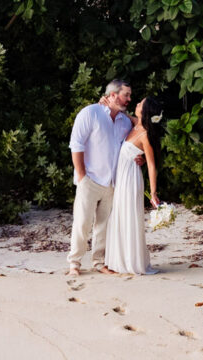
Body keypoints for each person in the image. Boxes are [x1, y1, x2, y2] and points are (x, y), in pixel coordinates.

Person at [66, 80, 133, 277]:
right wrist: (82, 176)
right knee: (82, 223)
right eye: (126, 95)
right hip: (90, 180)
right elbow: (76, 144)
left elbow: (134, 139)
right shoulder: (90, 113)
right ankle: (74, 264)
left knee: (104, 226)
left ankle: (99, 262)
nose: (129, 99)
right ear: (112, 95)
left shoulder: (125, 121)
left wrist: (137, 157)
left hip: (112, 182)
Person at [100, 96, 163, 276]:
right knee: (119, 216)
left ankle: (131, 262)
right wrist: (107, 102)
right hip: (121, 179)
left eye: (140, 104)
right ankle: (118, 260)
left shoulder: (145, 135)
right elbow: (122, 112)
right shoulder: (135, 124)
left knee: (128, 217)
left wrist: (153, 192)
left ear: (145, 111)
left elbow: (151, 165)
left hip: (130, 180)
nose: (136, 104)